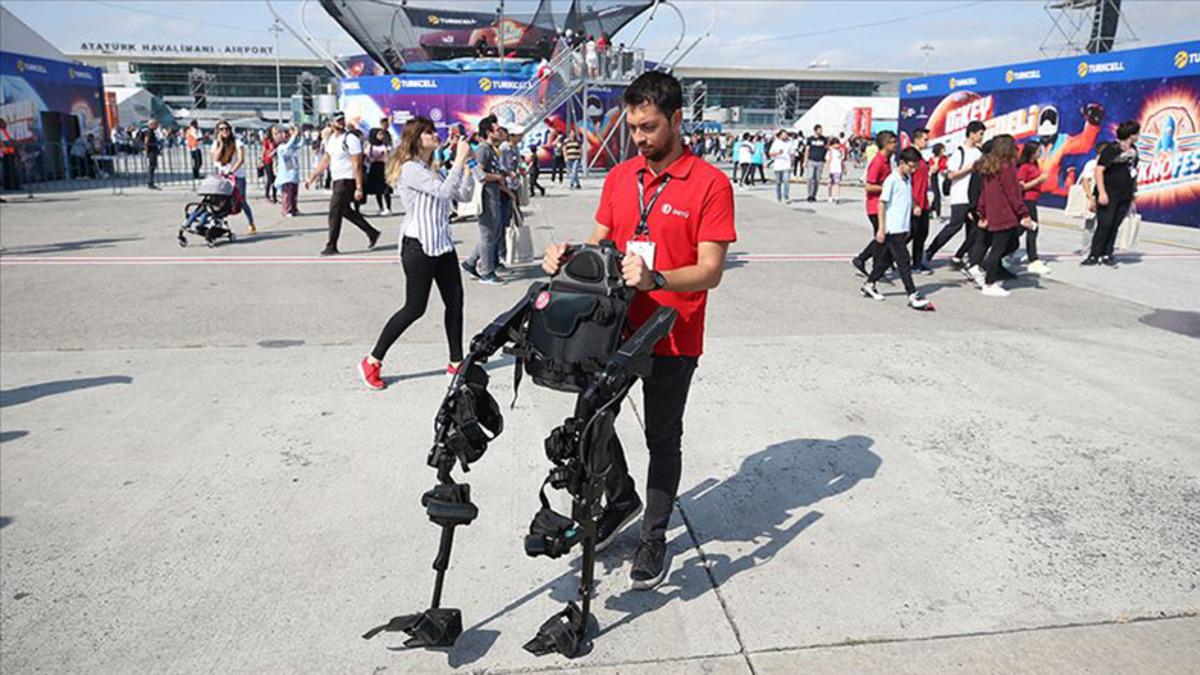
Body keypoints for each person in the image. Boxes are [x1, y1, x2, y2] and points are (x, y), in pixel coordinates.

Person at [541, 70, 736, 590]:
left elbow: (711, 269)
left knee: (661, 438)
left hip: (674, 333)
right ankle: (622, 495)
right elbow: (600, 243)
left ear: (676, 119)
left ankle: (654, 536)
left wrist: (658, 278)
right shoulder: (621, 176)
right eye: (633, 127)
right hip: (616, 329)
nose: (639, 138)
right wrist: (567, 256)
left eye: (649, 127)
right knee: (590, 418)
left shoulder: (711, 184)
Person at [358, 117, 475, 391]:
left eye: (434, 131)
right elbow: (445, 193)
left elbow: (464, 196)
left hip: (443, 244)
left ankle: (456, 363)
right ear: (416, 139)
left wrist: (469, 169)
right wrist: (458, 160)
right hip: (418, 245)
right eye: (428, 132)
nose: (435, 135)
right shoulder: (411, 169)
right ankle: (372, 360)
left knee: (455, 303)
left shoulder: (431, 168)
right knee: (414, 308)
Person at [860, 147, 932, 310]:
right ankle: (912, 294)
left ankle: (869, 284)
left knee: (886, 260)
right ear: (902, 163)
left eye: (915, 167)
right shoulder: (892, 179)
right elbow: (882, 203)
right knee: (904, 260)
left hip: (902, 226)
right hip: (892, 228)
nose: (913, 170)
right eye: (911, 166)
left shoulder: (906, 178)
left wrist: (915, 205)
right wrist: (881, 228)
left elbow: (908, 196)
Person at [305, 112, 381, 256]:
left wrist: (359, 187)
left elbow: (357, 163)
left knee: (334, 212)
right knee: (344, 210)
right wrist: (313, 177)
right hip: (337, 179)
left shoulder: (350, 138)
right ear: (331, 123)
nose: (340, 122)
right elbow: (326, 160)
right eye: (337, 120)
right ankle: (372, 232)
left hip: (347, 180)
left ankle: (331, 245)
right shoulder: (331, 140)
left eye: (342, 120)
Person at [975, 134, 1036, 297]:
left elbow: (984, 193)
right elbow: (1012, 193)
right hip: (1004, 212)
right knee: (999, 248)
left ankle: (983, 268)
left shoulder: (988, 166)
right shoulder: (1007, 167)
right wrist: (1023, 212)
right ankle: (989, 282)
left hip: (993, 212)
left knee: (1007, 244)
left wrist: (982, 211)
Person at [924, 120, 985, 268]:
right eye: (980, 134)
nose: (981, 137)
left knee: (974, 229)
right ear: (971, 134)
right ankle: (930, 251)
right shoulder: (960, 152)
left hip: (974, 196)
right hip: (960, 195)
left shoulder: (979, 152)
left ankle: (970, 260)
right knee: (955, 226)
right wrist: (970, 168)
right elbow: (951, 175)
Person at [1083, 121, 1141, 267]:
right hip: (1109, 192)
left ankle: (1107, 253)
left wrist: (1133, 190)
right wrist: (1102, 193)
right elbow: (1099, 170)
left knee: (1115, 224)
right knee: (1105, 223)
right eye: (1136, 133)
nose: (1138, 136)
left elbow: (1133, 170)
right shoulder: (1111, 149)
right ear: (1130, 134)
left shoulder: (1134, 150)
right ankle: (1094, 254)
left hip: (1125, 193)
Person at [461, 115, 506, 284]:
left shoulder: (491, 149)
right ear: (488, 132)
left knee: (492, 233)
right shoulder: (483, 149)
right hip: (486, 197)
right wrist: (497, 177)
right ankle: (487, 272)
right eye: (497, 129)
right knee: (488, 235)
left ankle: (470, 262)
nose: (500, 131)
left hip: (493, 195)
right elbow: (479, 174)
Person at [851, 131, 895, 276]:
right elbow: (869, 186)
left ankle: (875, 264)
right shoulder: (877, 162)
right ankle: (863, 259)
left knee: (883, 237)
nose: (896, 145)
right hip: (875, 206)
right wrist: (887, 188)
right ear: (886, 144)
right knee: (882, 237)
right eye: (893, 142)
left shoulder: (887, 160)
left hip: (883, 205)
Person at [211, 120, 257, 234]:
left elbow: (241, 159)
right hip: (222, 176)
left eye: (226, 129)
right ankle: (218, 223)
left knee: (241, 200)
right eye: (221, 129)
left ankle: (251, 223)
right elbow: (216, 158)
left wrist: (232, 171)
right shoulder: (216, 143)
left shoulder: (237, 142)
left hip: (237, 176)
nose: (224, 131)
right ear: (218, 131)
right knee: (220, 201)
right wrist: (221, 144)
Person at [1016, 142, 1050, 275]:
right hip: (1027, 200)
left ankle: (1007, 249)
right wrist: (1038, 181)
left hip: (1033, 199)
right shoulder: (1024, 167)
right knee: (1032, 228)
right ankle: (1033, 259)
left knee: (1023, 228)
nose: (1040, 153)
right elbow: (1021, 186)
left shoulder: (1035, 164)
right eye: (1038, 150)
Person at [908, 128, 933, 275]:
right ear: (917, 139)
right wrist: (913, 202)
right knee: (911, 233)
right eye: (925, 139)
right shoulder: (910, 156)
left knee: (922, 233)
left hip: (923, 201)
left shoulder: (922, 157)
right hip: (915, 201)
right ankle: (887, 257)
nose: (927, 142)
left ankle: (917, 263)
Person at [1077, 143, 1103, 253]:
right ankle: (1086, 248)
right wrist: (1090, 198)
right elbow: (1085, 182)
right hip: (1092, 196)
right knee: (1090, 223)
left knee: (1102, 223)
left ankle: (1098, 247)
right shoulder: (1092, 164)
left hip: (1102, 196)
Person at [273, 125, 303, 217]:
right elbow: (287, 147)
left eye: (287, 133)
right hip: (285, 175)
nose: (286, 135)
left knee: (294, 193)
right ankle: (286, 210)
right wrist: (294, 135)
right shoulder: (281, 147)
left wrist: (300, 135)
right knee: (287, 194)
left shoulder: (291, 146)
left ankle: (294, 208)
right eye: (284, 133)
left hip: (292, 173)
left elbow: (299, 145)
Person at [364, 128, 393, 215]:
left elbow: (388, 157)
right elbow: (366, 157)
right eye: (379, 134)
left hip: (383, 167)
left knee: (385, 189)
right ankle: (381, 207)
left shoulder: (385, 146)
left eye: (382, 134)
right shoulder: (370, 146)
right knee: (377, 189)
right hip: (374, 168)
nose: (381, 136)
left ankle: (388, 208)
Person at [803, 124, 828, 202]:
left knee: (817, 179)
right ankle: (809, 194)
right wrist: (805, 161)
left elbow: (827, 149)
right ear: (815, 130)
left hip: (820, 161)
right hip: (811, 160)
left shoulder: (824, 139)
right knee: (810, 177)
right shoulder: (810, 139)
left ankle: (814, 195)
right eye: (819, 130)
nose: (821, 131)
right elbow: (807, 150)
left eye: (821, 130)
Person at [769, 130, 792, 202]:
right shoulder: (776, 143)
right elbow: (770, 153)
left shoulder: (789, 143)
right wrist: (778, 153)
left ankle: (786, 197)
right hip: (778, 165)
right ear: (780, 135)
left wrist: (792, 162)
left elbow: (792, 153)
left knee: (786, 182)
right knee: (778, 182)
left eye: (786, 134)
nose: (785, 136)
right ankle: (779, 196)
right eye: (784, 135)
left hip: (786, 165)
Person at [261, 126, 278, 204]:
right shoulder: (266, 140)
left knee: (275, 179)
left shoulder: (275, 140)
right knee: (270, 178)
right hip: (267, 161)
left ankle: (274, 196)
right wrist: (261, 160)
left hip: (274, 161)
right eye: (274, 129)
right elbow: (264, 150)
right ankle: (267, 195)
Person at [142, 120, 161, 190]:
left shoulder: (152, 131)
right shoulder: (149, 131)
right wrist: (146, 152)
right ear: (152, 125)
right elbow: (146, 141)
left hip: (153, 151)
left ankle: (151, 182)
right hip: (151, 152)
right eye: (156, 124)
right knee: (151, 167)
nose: (157, 126)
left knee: (153, 166)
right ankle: (150, 183)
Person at [929, 143, 946, 220]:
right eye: (943, 149)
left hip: (943, 177)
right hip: (935, 178)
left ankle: (930, 209)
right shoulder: (932, 159)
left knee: (937, 195)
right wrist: (937, 161)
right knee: (937, 195)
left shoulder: (945, 158)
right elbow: (933, 170)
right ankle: (938, 214)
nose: (944, 151)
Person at [827, 137, 845, 204]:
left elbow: (842, 161)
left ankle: (837, 197)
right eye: (835, 144)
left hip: (838, 169)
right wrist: (828, 168)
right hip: (832, 169)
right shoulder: (830, 151)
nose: (837, 145)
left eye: (837, 143)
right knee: (830, 184)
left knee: (837, 183)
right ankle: (830, 196)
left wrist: (844, 168)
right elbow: (828, 160)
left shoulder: (840, 152)